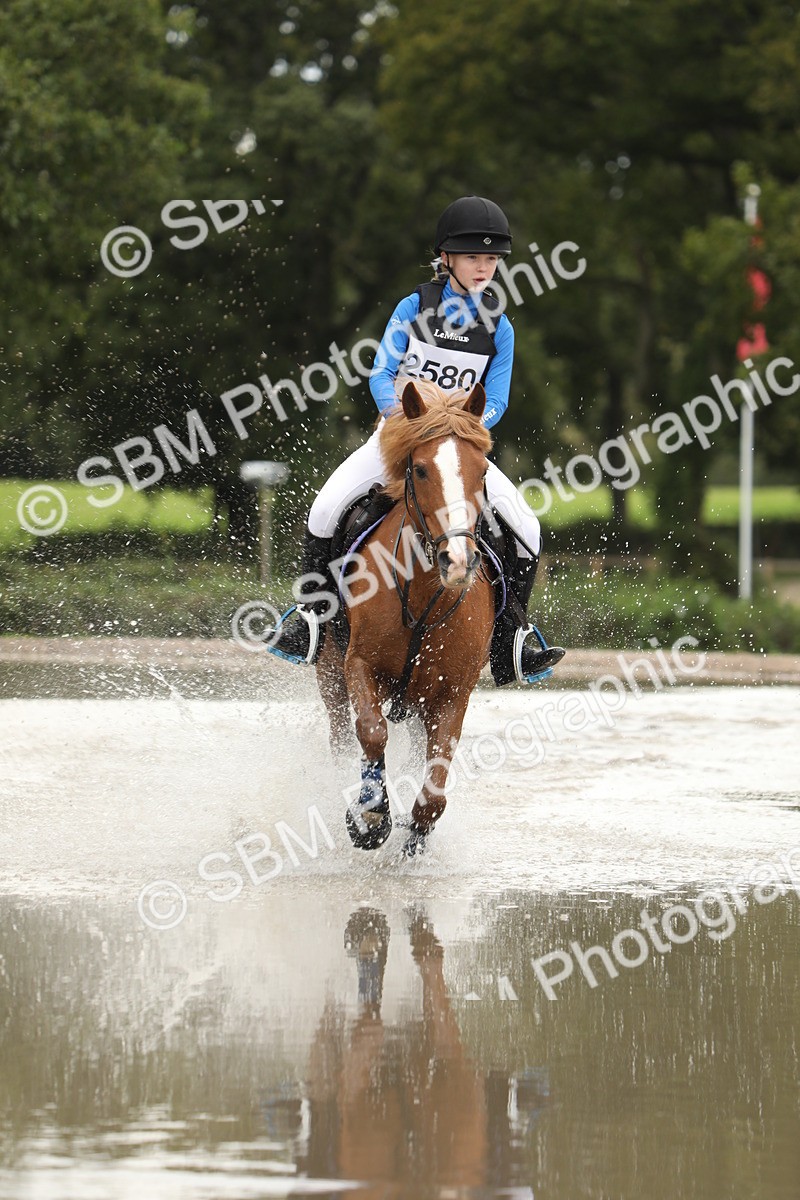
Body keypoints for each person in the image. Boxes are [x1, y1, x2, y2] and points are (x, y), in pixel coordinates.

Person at [267, 195, 564, 685]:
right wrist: (410, 424)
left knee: (527, 528)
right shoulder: (414, 308)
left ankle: (513, 639)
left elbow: (499, 402)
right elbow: (382, 375)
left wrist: (460, 430)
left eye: (491, 259)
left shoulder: (501, 328)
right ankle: (309, 620)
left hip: (460, 450)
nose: (484, 267)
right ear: (446, 258)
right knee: (325, 509)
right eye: (474, 257)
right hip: (398, 438)